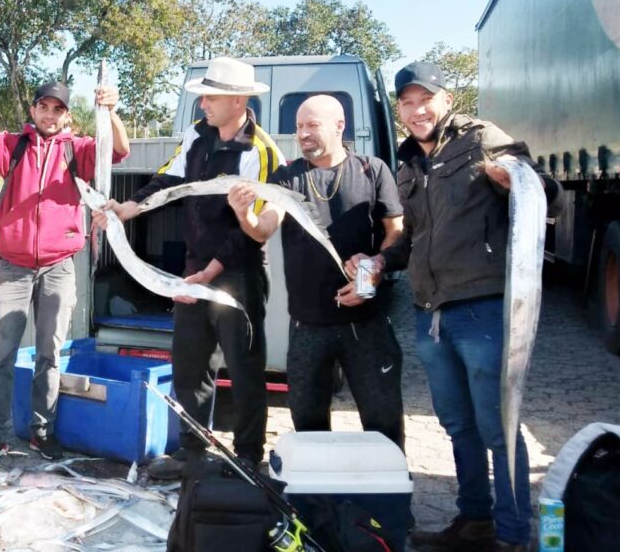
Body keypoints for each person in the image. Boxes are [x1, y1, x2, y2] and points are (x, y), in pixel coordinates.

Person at [372, 61, 560, 552]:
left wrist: (512, 182)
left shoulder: (482, 139)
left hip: (482, 309)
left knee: (498, 425)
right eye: (407, 103)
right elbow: (411, 239)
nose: (417, 111)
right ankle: (474, 520)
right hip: (429, 313)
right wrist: (378, 259)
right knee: (456, 425)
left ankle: (514, 535)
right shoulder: (408, 164)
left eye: (425, 99)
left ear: (446, 99)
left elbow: (547, 198)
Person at [94, 57, 281, 479]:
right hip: (196, 268)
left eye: (210, 97)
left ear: (239, 100)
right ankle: (192, 451)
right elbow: (168, 179)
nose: (202, 106)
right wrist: (131, 207)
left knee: (245, 365)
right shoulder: (197, 136)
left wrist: (211, 272)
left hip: (239, 273)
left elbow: (253, 230)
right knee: (190, 363)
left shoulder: (262, 152)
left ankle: (248, 456)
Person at [0, 77, 129, 463]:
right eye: (44, 107)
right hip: (13, 267)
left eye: (58, 109)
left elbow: (118, 149)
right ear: (33, 110)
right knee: (1, 355)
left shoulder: (78, 150)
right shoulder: (12, 144)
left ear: (66, 115)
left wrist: (111, 111)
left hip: (59, 266)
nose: (49, 115)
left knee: (50, 354)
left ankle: (41, 431)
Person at [228, 94, 405, 450]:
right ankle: (313, 505)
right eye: (298, 127)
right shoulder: (287, 177)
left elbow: (396, 233)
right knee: (308, 426)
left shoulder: (373, 170)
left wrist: (373, 271)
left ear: (340, 126)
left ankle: (388, 503)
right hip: (307, 325)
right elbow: (264, 228)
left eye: (312, 125)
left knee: (383, 421)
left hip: (366, 323)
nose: (302, 134)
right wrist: (244, 214)